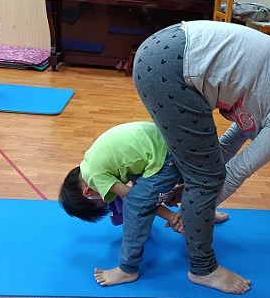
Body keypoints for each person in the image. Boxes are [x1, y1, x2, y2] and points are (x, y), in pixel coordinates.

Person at [132, 20, 270, 295]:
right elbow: (236, 172)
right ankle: (203, 270)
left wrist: (195, 202)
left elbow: (226, 147)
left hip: (161, 50)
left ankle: (198, 212)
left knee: (203, 174)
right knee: (206, 178)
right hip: (170, 66)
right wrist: (195, 209)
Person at [59, 121, 229, 287]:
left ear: (88, 192)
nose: (109, 200)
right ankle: (202, 214)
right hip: (170, 141)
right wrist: (168, 214)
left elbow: (136, 201)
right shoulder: (90, 160)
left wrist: (171, 217)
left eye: (104, 201)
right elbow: (139, 187)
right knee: (152, 189)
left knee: (134, 209)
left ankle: (127, 269)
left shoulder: (95, 178)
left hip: (164, 157)